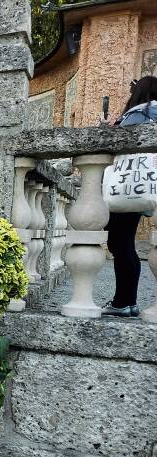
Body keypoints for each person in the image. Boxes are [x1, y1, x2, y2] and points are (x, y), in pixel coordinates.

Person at [100, 76, 157, 317]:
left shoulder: (141, 112)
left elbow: (119, 144)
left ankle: (123, 302)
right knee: (126, 244)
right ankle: (127, 301)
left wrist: (107, 129)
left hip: (126, 186)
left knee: (119, 243)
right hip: (141, 186)